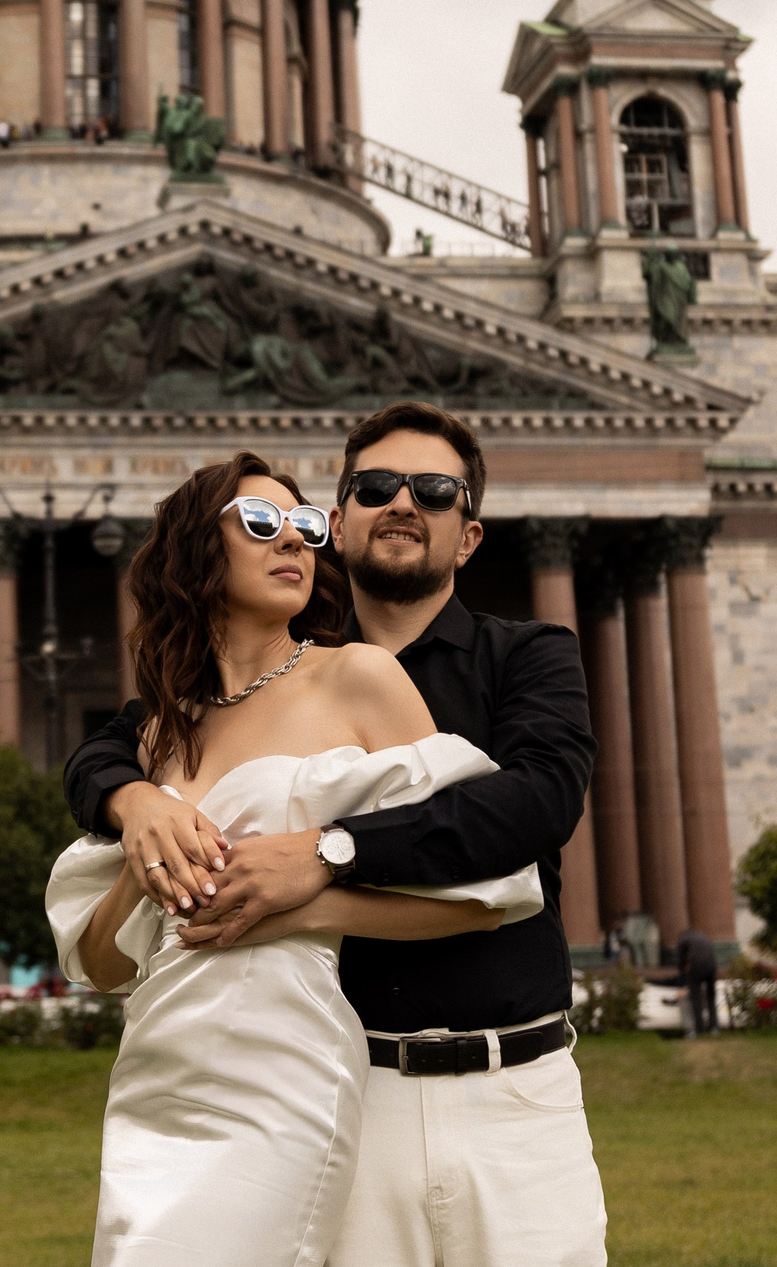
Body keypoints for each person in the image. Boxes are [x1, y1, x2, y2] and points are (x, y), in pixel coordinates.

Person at [66, 402, 608, 1266]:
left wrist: (321, 859)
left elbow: (534, 811)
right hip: (348, 1085)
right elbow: (108, 753)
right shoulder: (235, 689)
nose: (403, 501)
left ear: (468, 536)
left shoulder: (525, 655)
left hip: (517, 1087)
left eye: (434, 490)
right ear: (342, 522)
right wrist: (134, 803)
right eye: (373, 487)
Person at [678, 927, 719, 1038]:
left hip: (696, 967)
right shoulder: (704, 938)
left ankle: (700, 1028)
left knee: (695, 997)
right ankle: (714, 1027)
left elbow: (680, 962)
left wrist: (683, 979)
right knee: (711, 997)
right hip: (711, 966)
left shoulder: (683, 940)